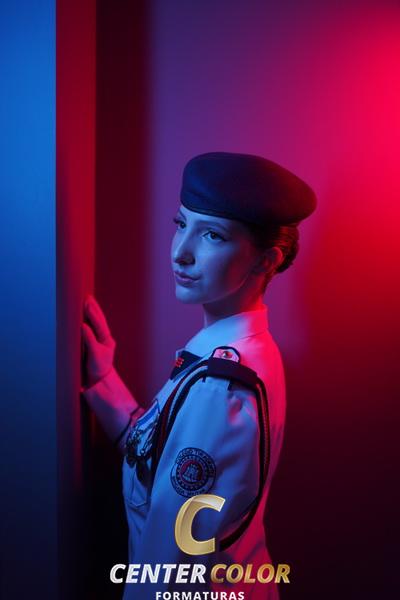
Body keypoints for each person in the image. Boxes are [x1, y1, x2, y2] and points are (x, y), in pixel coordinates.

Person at [81, 152, 317, 599]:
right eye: (180, 224)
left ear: (266, 261)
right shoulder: (238, 354)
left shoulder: (220, 386)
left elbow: (167, 567)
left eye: (212, 235)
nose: (181, 252)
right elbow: (160, 462)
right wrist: (103, 380)